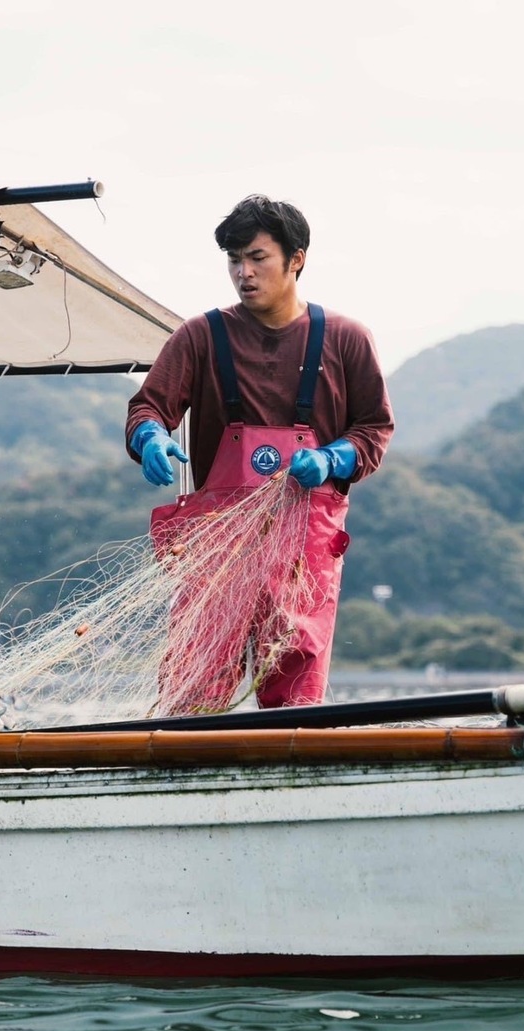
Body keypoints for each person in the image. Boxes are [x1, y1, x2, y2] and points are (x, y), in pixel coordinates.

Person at [126, 194, 393, 710]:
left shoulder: (346, 340)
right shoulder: (200, 336)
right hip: (218, 543)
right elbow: (148, 408)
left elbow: (375, 428)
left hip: (304, 541)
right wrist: (150, 437)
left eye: (257, 257)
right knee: (195, 678)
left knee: (295, 679)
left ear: (297, 259)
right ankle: (188, 781)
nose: (243, 272)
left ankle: (286, 780)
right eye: (233, 259)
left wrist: (335, 458)